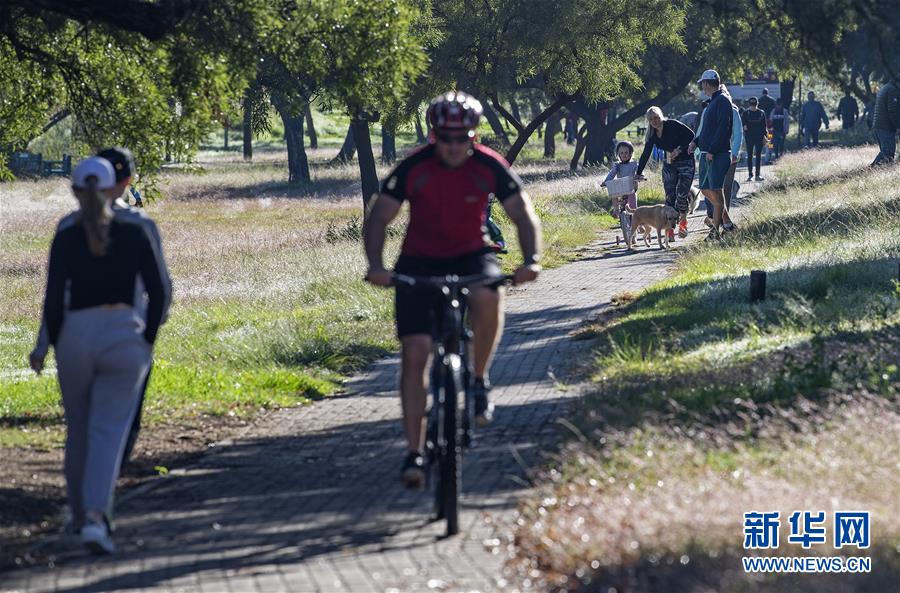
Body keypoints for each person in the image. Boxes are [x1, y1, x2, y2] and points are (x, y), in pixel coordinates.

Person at [362, 91, 542, 488]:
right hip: (418, 261)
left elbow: (522, 214)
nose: (455, 146)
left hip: (471, 254)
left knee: (488, 293)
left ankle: (478, 378)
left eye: (463, 138)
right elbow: (379, 218)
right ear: (433, 135)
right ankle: (415, 451)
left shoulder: (488, 166)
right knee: (416, 352)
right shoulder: (414, 168)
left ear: (474, 136)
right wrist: (376, 266)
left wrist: (530, 260)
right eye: (446, 138)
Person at [35, 157, 167, 554]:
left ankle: (77, 516)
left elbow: (54, 297)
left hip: (76, 332)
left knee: (78, 430)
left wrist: (49, 345)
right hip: (125, 332)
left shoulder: (66, 232)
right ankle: (95, 518)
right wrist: (147, 338)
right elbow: (159, 290)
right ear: (117, 187)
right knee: (108, 432)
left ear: (75, 190)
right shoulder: (137, 230)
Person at [634, 106, 695, 240]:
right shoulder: (652, 134)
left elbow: (691, 136)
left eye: (656, 118)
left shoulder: (672, 124)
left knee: (681, 195)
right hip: (669, 164)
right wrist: (638, 172)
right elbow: (646, 153)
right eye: (651, 120)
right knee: (669, 198)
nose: (654, 121)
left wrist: (679, 149)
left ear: (661, 116)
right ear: (649, 121)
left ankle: (683, 222)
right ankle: (669, 231)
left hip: (685, 161)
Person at [690, 69, 735, 239]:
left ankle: (716, 231)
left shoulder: (722, 100)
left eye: (703, 83)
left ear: (707, 84)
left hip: (717, 154)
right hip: (709, 152)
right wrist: (696, 142)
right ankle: (726, 225)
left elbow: (723, 129)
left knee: (711, 191)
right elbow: (708, 130)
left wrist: (712, 150)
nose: (702, 86)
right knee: (712, 191)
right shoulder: (713, 101)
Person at [698, 85, 742, 223]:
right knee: (710, 190)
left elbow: (737, 133)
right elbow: (701, 132)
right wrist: (698, 152)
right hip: (708, 155)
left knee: (724, 189)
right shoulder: (708, 109)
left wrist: (734, 153)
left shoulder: (732, 111)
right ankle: (724, 221)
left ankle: (721, 223)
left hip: (725, 154)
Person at [601, 140, 639, 215]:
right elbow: (611, 174)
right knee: (613, 193)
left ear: (631, 153)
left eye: (626, 153)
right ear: (618, 154)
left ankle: (634, 214)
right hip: (621, 187)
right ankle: (616, 209)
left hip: (631, 187)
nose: (624, 155)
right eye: (621, 153)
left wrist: (641, 176)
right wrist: (605, 182)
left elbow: (639, 171)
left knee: (632, 199)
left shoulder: (634, 164)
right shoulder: (617, 165)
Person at [871, 78, 899, 166]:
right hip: (885, 127)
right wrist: (899, 126)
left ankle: (876, 171)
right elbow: (893, 111)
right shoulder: (892, 90)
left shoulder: (886, 87)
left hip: (879, 126)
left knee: (887, 154)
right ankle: (871, 169)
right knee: (888, 152)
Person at [741, 97, 767, 181]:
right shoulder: (746, 113)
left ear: (757, 104)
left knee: (758, 156)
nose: (753, 106)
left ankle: (757, 175)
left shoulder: (761, 113)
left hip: (759, 137)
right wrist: (744, 126)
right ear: (749, 104)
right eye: (752, 105)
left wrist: (765, 137)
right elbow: (743, 125)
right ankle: (750, 175)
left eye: (754, 105)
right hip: (749, 138)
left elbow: (764, 126)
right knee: (749, 156)